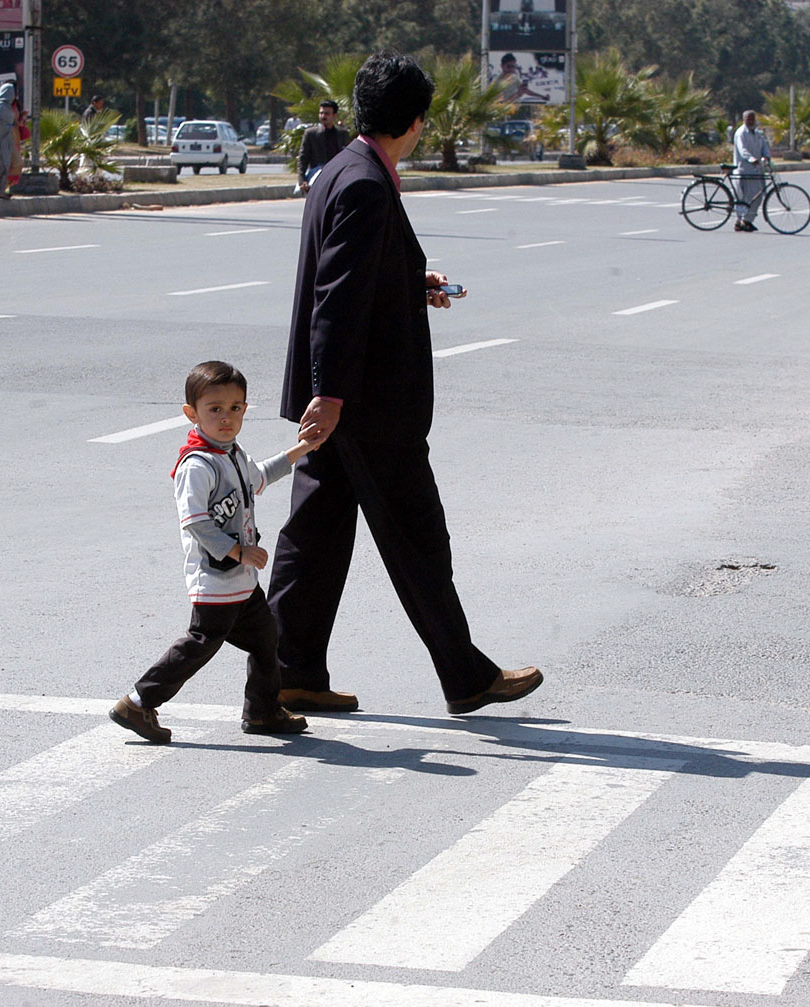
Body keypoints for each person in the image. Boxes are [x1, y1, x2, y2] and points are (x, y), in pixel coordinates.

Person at [266, 51, 543, 717]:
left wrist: (410, 285)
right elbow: (335, 299)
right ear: (416, 122)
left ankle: (288, 672)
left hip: (344, 403)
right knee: (418, 535)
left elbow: (355, 280)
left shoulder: (342, 168)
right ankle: (466, 675)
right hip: (365, 405)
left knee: (315, 536)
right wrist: (329, 396)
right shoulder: (365, 183)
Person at [110, 360, 326, 744]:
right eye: (215, 409)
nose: (226, 417)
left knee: (266, 639)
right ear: (191, 413)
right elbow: (196, 523)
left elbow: (259, 476)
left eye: (235, 408)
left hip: (241, 584)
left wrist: (302, 449)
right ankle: (138, 701)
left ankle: (262, 711)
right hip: (214, 579)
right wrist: (238, 552)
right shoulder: (197, 464)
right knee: (199, 644)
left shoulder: (232, 454)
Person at [296, 100, 350, 195]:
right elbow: (303, 158)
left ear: (334, 115)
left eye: (327, 113)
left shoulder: (342, 134)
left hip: (338, 179)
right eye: (321, 113)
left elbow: (348, 156)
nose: (323, 116)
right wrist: (302, 180)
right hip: (318, 179)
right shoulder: (311, 134)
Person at [733, 109, 771, 233]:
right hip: (744, 170)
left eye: (752, 119)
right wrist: (751, 159)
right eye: (748, 119)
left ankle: (746, 220)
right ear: (744, 120)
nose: (750, 121)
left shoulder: (758, 133)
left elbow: (765, 146)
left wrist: (766, 156)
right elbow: (742, 149)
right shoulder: (741, 133)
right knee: (742, 198)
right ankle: (741, 221)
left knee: (757, 197)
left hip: (756, 170)